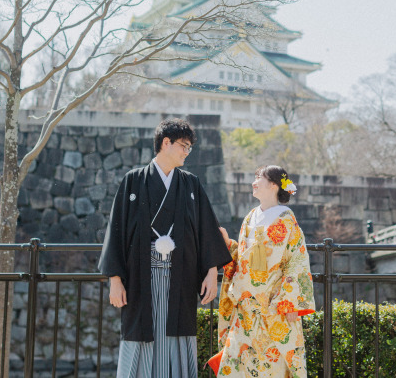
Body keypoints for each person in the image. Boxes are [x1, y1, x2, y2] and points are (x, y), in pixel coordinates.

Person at [98, 118, 233, 378]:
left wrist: (210, 272)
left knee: (178, 336)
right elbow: (115, 231)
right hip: (140, 278)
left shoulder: (191, 184)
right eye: (184, 146)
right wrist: (115, 279)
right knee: (140, 334)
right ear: (165, 143)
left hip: (180, 276)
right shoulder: (133, 181)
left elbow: (208, 230)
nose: (187, 152)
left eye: (189, 147)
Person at [207, 166, 315, 378]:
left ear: (274, 184)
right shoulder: (250, 217)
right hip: (246, 304)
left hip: (274, 304)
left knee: (272, 364)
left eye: (259, 178)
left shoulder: (286, 218)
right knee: (239, 361)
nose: (254, 182)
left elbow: (296, 259)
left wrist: (291, 301)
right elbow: (243, 258)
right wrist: (228, 245)